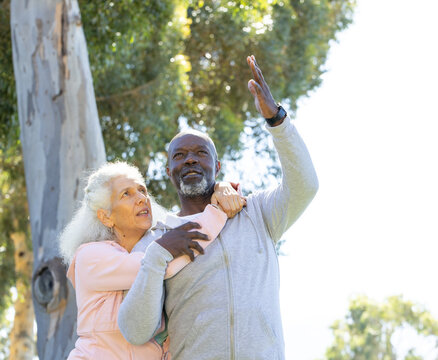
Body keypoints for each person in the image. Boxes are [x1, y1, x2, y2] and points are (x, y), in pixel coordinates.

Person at [118, 55, 319, 359]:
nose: (190, 159)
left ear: (217, 166)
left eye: (201, 152)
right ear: (169, 171)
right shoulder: (154, 241)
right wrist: (158, 254)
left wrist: (277, 120)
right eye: (180, 155)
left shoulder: (257, 213)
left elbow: (306, 185)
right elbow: (135, 330)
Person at [58, 161, 244, 359]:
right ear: (106, 217)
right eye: (126, 194)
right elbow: (161, 262)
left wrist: (222, 188)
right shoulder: (91, 257)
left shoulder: (153, 245)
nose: (141, 199)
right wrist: (218, 210)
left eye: (142, 190)